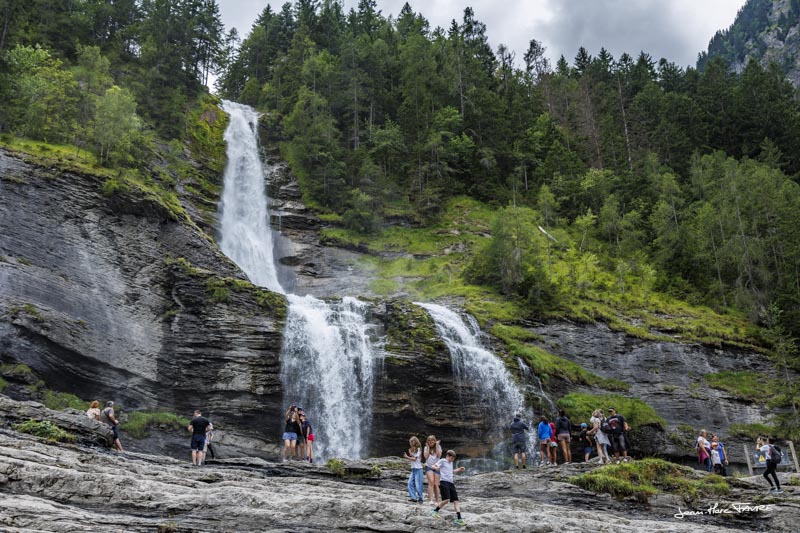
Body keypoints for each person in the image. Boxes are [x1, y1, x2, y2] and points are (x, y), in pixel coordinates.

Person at [430, 450, 467, 526]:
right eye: (452, 458)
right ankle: (435, 511)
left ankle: (459, 519)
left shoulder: (451, 463)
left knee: (456, 501)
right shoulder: (443, 461)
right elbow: (433, 466)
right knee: (446, 500)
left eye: (453, 459)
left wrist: (459, 469)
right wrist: (435, 467)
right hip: (444, 482)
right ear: (448, 456)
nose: (452, 460)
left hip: (451, 483)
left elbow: (451, 471)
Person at [404, 436, 424, 503]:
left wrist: (407, 457)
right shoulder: (412, 449)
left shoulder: (419, 449)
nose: (411, 443)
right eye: (411, 442)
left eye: (413, 441)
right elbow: (413, 458)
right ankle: (413, 497)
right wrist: (410, 453)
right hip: (413, 469)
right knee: (410, 483)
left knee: (418, 485)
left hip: (418, 469)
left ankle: (420, 499)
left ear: (416, 441)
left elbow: (415, 459)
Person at [424, 435, 442, 504]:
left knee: (436, 484)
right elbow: (426, 457)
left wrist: (437, 446)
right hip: (429, 466)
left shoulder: (438, 447)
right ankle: (431, 500)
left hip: (437, 467)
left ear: (435, 441)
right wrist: (428, 448)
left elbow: (439, 455)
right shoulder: (426, 448)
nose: (430, 442)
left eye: (432, 440)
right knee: (431, 482)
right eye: (429, 440)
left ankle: (437, 501)